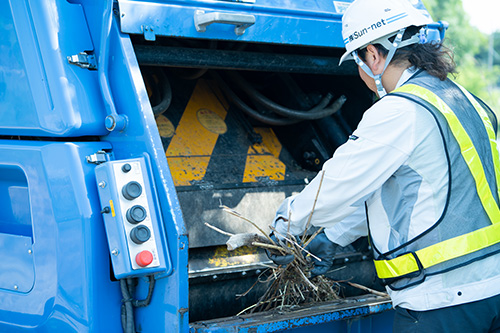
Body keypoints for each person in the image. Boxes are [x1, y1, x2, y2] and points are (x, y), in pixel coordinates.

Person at [268, 0, 500, 331]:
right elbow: (412, 193)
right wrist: (335, 235)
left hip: (442, 301)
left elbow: (339, 184)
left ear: (373, 55)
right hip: (492, 289)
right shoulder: (462, 98)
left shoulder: (400, 110)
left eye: (358, 61)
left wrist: (283, 226)